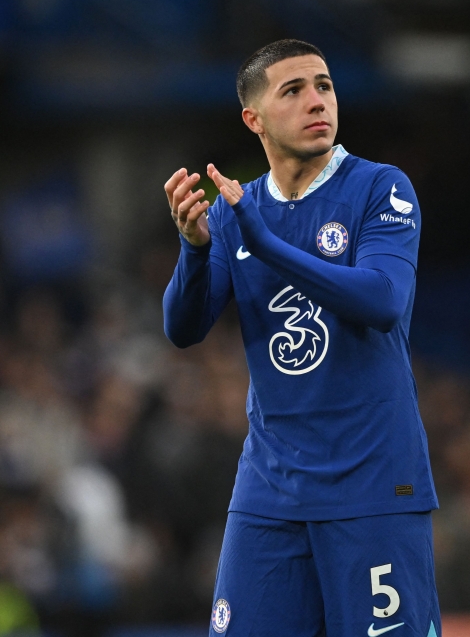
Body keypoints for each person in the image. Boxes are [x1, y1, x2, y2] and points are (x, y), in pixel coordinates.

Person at [162, 39, 440, 637]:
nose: (318, 101)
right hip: (271, 488)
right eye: (294, 90)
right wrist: (194, 249)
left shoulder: (380, 188)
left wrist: (268, 245)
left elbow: (383, 300)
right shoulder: (238, 211)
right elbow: (182, 328)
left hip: (373, 484)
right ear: (253, 118)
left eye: (325, 86)